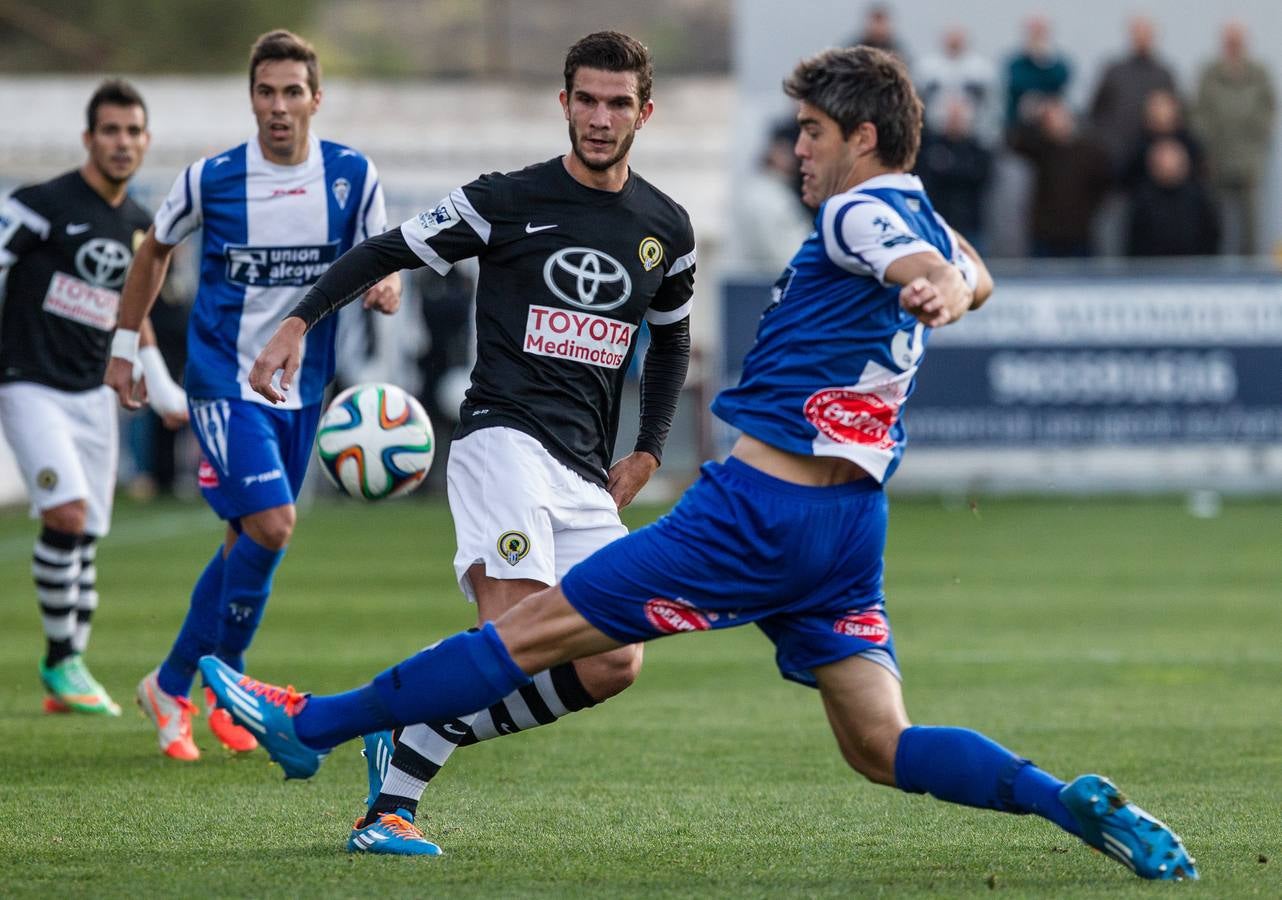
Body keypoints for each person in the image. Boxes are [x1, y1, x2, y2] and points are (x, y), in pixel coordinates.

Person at [204, 46, 1197, 881]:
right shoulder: (928, 212)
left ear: (859, 139)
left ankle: (314, 725)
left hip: (754, 513)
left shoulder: (855, 213)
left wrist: (927, 282)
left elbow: (913, 262)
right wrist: (951, 283)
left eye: (809, 131)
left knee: (530, 632)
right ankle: (1061, 800)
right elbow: (966, 271)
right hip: (847, 533)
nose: (795, 149)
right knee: (880, 746)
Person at [242, 30, 695, 856]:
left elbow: (669, 340)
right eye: (586, 101)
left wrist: (651, 448)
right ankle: (383, 803)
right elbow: (388, 249)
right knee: (518, 629)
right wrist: (296, 323)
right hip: (502, 439)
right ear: (563, 104)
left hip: (587, 469)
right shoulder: (507, 200)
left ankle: (399, 726)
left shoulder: (665, 226)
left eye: (617, 103)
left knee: (611, 662)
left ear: (645, 112)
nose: (600, 118)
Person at [103, 30, 401, 761]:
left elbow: (382, 252)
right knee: (272, 524)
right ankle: (228, 682)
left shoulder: (352, 176)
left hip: (302, 390)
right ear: (252, 98)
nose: (278, 106)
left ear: (315, 99)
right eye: (265, 92)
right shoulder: (211, 178)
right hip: (223, 379)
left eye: (292, 91)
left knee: (245, 540)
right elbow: (155, 251)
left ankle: (172, 684)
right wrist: (122, 346)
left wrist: (387, 284)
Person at [0, 80, 187, 717]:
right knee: (67, 515)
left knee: (85, 538)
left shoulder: (141, 226)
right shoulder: (39, 203)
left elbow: (138, 317)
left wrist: (163, 389)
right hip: (28, 382)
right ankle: (62, 662)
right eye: (110, 131)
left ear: (146, 142)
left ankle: (68, 672)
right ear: (89, 138)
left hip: (93, 392)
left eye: (133, 132)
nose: (122, 142)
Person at [1193, 21, 1277, 255]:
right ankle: (1214, 260)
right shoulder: (1210, 72)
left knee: (1250, 217)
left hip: (1249, 155)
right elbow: (1199, 110)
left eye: (1238, 40)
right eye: (1230, 40)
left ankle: (1250, 262)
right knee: (1215, 214)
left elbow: (1269, 109)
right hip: (1217, 154)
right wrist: (1206, 142)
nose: (1234, 45)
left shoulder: (1258, 72)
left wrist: (1257, 133)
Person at [1008, 97, 1112, 257]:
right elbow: (1014, 141)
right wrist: (1036, 118)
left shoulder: (1089, 151)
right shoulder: (1042, 148)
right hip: (1044, 234)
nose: (1056, 122)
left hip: (1079, 233)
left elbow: (1105, 184)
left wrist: (1089, 212)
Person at [1088, 16, 1177, 172]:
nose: (1142, 38)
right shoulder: (1113, 71)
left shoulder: (1164, 75)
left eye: (1146, 34)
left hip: (1151, 163)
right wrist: (1104, 142)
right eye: (1138, 33)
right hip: (1114, 154)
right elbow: (1095, 112)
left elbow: (1175, 117)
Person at [733, 119, 812, 274]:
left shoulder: (776, 191)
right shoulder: (767, 196)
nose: (792, 157)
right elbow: (781, 253)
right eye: (784, 150)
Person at [1125, 138, 1220, 257]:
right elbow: (1133, 242)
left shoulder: (1199, 198)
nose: (1168, 166)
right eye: (1162, 162)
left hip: (1195, 268)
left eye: (1173, 161)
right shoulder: (1142, 199)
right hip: (1151, 269)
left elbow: (1211, 237)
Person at [1003, 15, 1071, 134]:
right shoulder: (1015, 64)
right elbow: (1019, 85)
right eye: (1034, 33)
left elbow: (1059, 83)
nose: (1037, 37)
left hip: (1051, 127)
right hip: (1019, 127)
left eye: (1041, 33)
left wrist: (1043, 61)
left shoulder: (1059, 65)